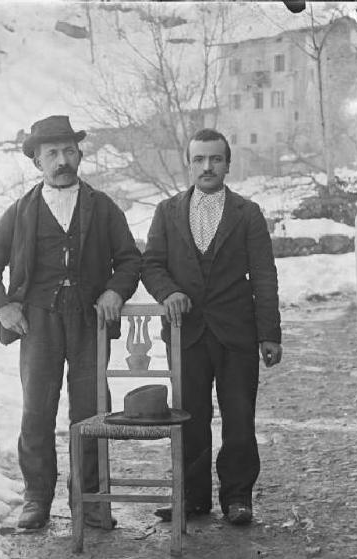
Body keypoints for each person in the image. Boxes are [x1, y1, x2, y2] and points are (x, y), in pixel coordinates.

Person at [0, 115, 141, 529]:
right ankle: (37, 498)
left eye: (69, 151)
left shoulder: (102, 207)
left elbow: (130, 260)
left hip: (88, 322)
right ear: (37, 162)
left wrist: (115, 291)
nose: (62, 160)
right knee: (37, 411)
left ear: (80, 154)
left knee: (91, 411)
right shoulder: (21, 211)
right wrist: (2, 307)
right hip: (38, 323)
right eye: (52, 154)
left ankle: (91, 500)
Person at [142, 128, 282, 525]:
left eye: (215, 159)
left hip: (236, 335)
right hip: (186, 333)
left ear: (227, 164)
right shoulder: (167, 212)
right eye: (199, 159)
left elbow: (264, 275)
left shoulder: (247, 213)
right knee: (189, 416)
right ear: (189, 164)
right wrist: (168, 293)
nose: (207, 167)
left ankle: (238, 498)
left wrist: (269, 332)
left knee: (239, 417)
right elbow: (152, 264)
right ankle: (192, 497)